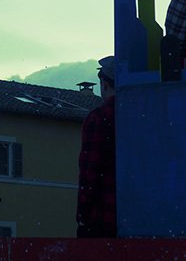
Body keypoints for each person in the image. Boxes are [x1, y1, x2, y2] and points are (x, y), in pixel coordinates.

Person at [76, 56, 116, 238]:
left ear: (105, 84)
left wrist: (83, 213)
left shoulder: (99, 118)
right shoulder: (141, 115)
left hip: (103, 217)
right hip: (139, 215)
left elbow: (89, 172)